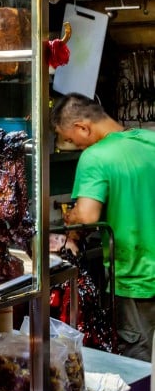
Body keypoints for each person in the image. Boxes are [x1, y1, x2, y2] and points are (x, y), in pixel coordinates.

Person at [52, 92, 155, 361]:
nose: (77, 147)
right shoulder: (151, 140)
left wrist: (70, 222)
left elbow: (87, 215)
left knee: (137, 364)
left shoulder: (96, 156)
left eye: (73, 140)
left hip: (135, 277)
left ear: (83, 127)